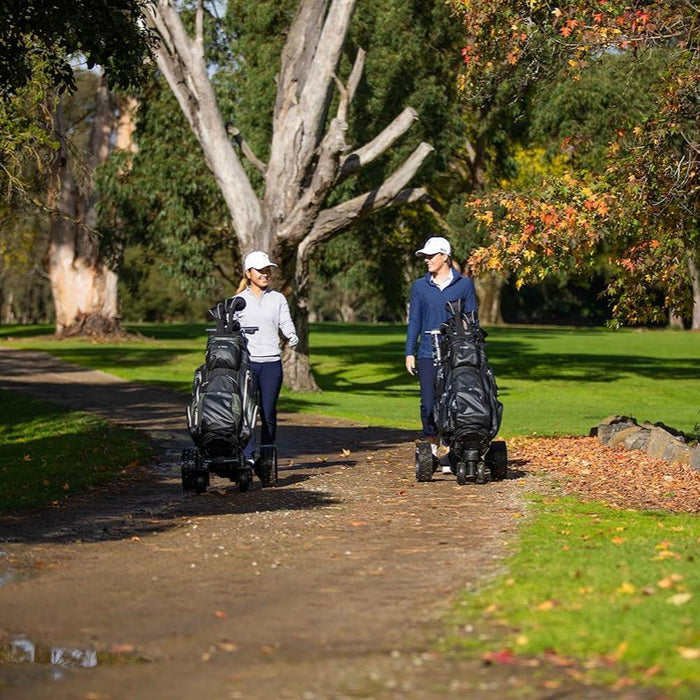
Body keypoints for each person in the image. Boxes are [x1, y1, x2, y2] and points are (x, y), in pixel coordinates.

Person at [405, 236, 477, 472]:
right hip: (427, 351)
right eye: (425, 256)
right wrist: (410, 352)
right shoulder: (420, 286)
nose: (427, 260)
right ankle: (432, 444)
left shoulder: (464, 285)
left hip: (456, 354)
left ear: (444, 256)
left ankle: (447, 449)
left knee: (452, 402)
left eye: (431, 256)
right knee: (428, 404)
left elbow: (471, 319)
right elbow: (414, 320)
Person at [232, 250, 299, 472]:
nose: (265, 274)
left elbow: (285, 322)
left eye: (267, 270)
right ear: (248, 273)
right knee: (247, 410)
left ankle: (267, 453)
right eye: (260, 270)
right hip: (247, 364)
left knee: (268, 411)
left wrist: (291, 334)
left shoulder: (277, 298)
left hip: (271, 363)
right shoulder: (237, 301)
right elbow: (228, 329)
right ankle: (247, 455)